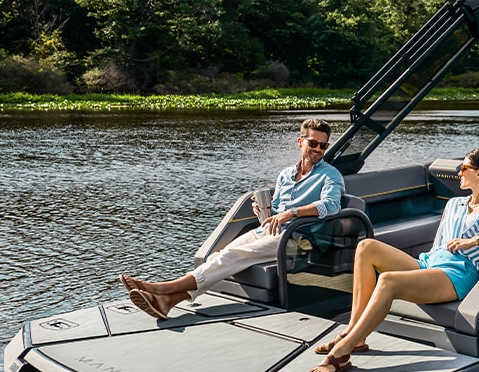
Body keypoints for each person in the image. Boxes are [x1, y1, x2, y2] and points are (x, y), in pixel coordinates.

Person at [305, 147, 479, 372]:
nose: (459, 173)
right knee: (366, 247)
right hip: (430, 263)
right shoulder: (455, 204)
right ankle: (355, 335)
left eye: (464, 168)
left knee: (388, 281)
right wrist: (425, 264)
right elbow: (439, 243)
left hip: (458, 273)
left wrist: (472, 242)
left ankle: (341, 352)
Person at [121, 117, 343, 318]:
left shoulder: (330, 175)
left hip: (298, 239)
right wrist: (262, 212)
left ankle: (162, 288)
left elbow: (331, 205)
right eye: (313, 143)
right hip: (269, 231)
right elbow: (275, 209)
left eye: (323, 145)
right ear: (300, 142)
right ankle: (167, 302)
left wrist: (292, 213)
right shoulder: (285, 175)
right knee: (220, 254)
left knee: (233, 255)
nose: (318, 149)